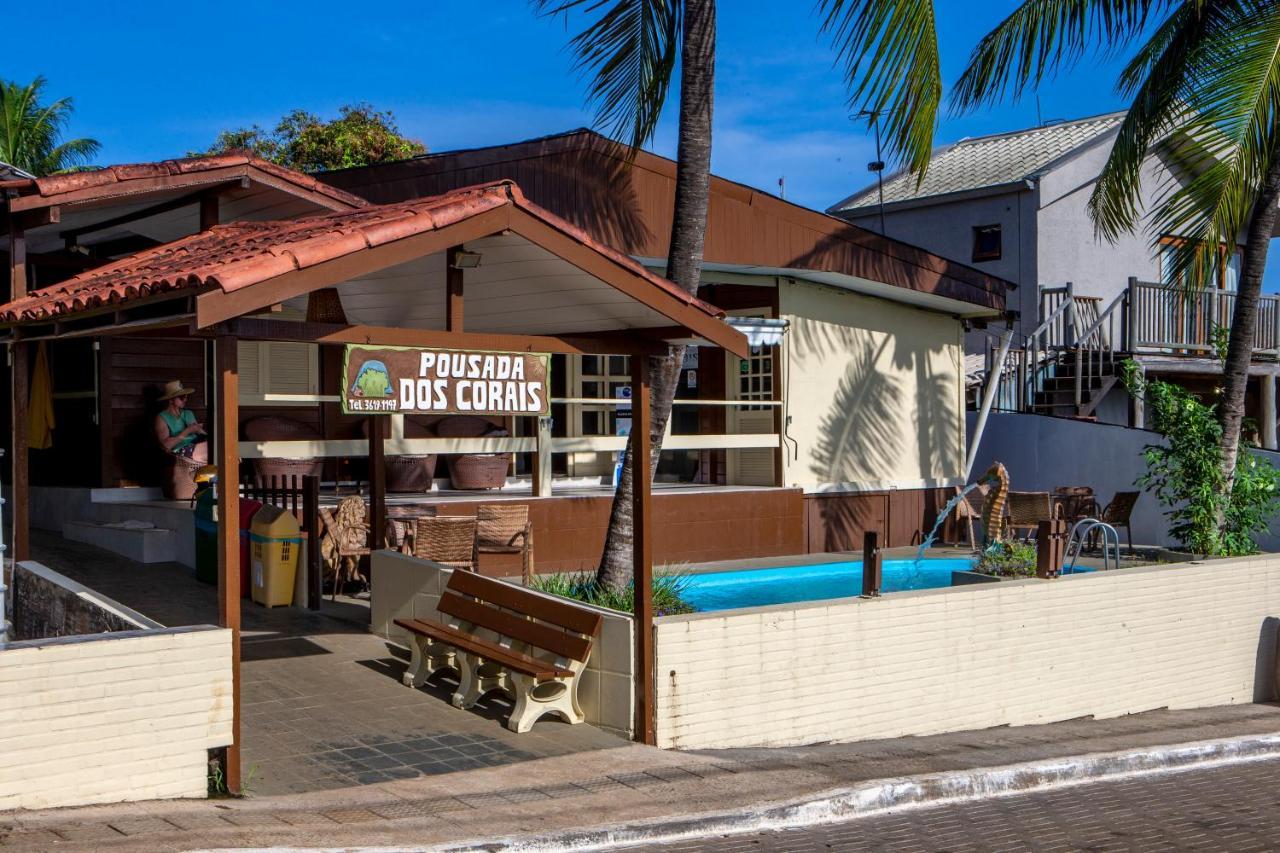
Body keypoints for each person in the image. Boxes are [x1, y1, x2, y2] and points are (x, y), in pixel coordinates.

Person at [154, 380, 208, 464]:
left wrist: (199, 429)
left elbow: (198, 432)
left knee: (217, 445)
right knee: (213, 450)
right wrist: (187, 431)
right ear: (171, 400)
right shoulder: (162, 417)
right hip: (181, 450)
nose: (185, 400)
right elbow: (165, 446)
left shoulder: (188, 413)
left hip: (197, 443)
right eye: (182, 397)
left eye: (186, 397)